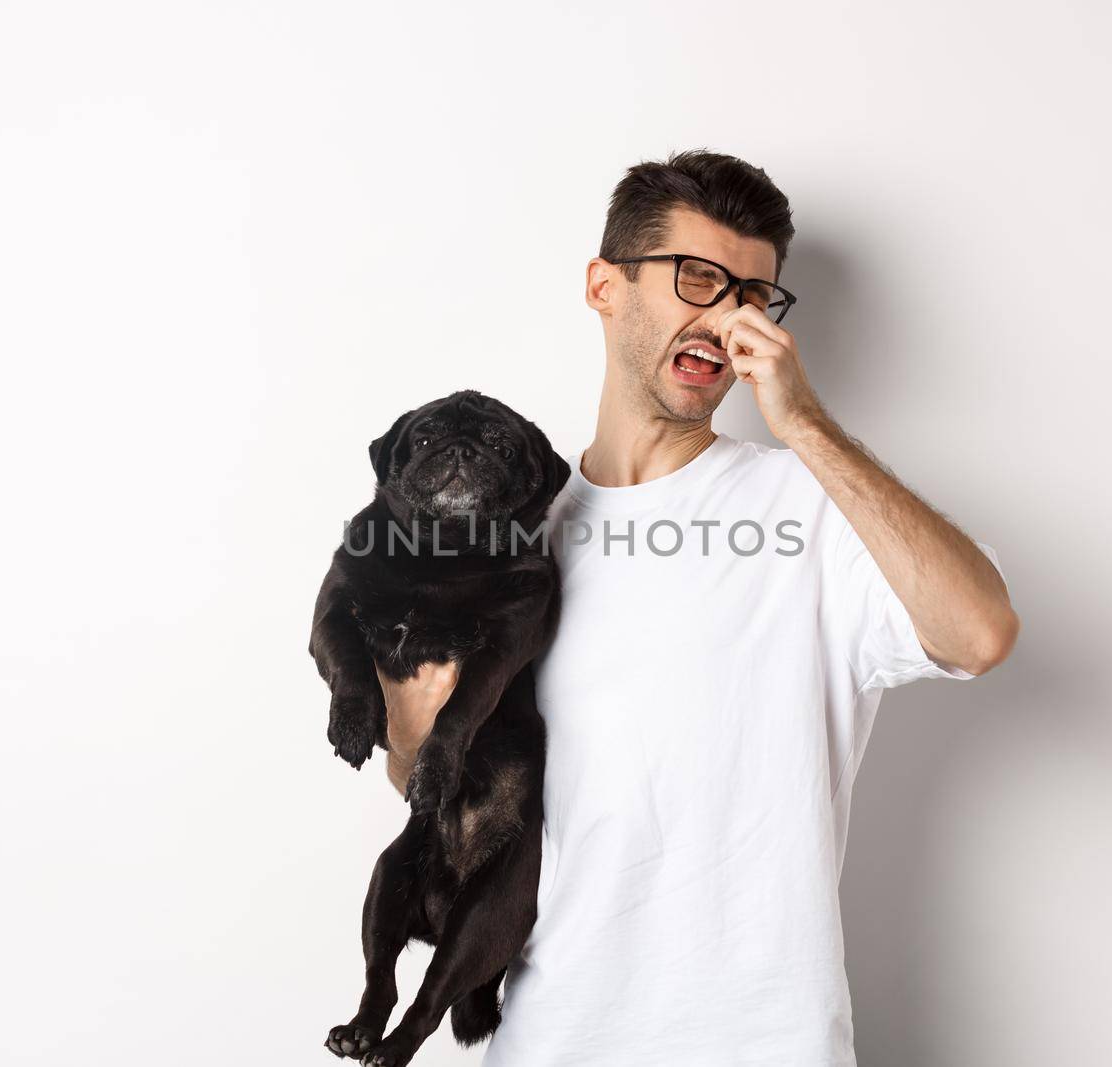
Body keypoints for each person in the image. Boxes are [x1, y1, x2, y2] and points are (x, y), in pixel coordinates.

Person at [378, 148, 1019, 1065]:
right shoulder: (514, 534)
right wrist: (412, 707)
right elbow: (438, 788)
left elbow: (980, 631)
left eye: (753, 295)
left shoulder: (812, 509)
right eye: (698, 279)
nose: (727, 316)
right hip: (547, 1040)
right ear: (605, 286)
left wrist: (803, 424)